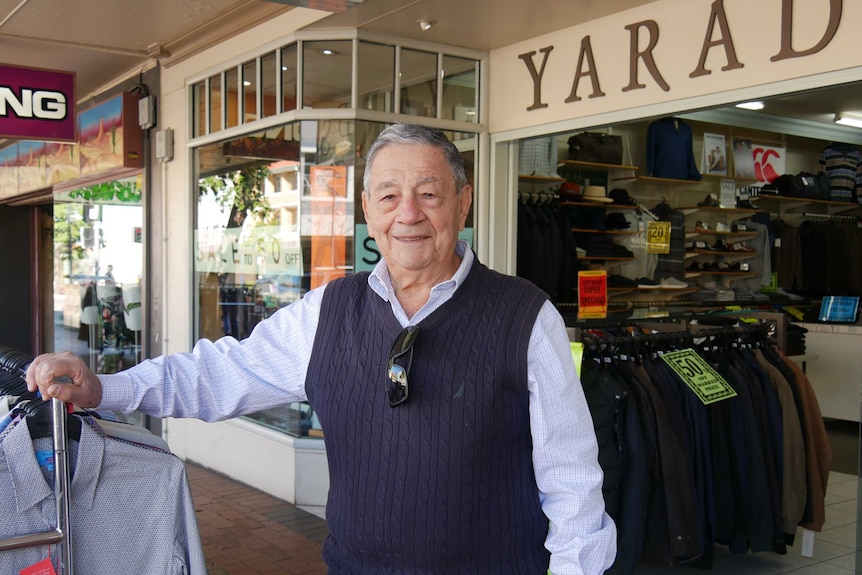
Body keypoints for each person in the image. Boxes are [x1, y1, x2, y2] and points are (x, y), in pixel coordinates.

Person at [27, 123, 616, 574]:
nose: (408, 213)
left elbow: (572, 486)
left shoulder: (525, 316)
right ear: (368, 211)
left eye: (429, 193)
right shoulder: (327, 312)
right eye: (388, 197)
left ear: (462, 203)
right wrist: (107, 386)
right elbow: (223, 373)